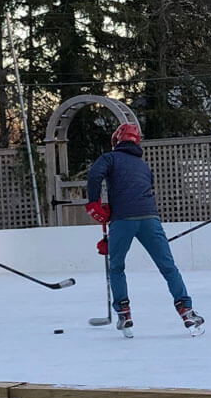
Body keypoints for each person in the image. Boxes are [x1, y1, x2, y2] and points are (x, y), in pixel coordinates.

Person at [86, 123, 204, 336]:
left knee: (116, 266)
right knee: (168, 267)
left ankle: (124, 312)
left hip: (123, 220)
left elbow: (94, 176)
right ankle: (186, 310)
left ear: (117, 140)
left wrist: (94, 203)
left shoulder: (109, 158)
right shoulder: (143, 165)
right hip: (150, 218)